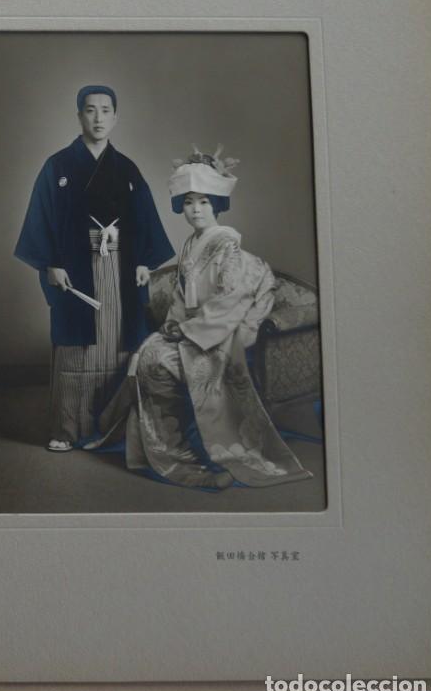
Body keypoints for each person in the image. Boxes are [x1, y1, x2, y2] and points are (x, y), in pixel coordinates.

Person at [122, 147, 312, 489]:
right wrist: (173, 324)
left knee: (159, 361)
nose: (196, 209)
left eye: (205, 202)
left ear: (218, 205)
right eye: (190, 201)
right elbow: (183, 296)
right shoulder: (192, 245)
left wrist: (189, 330)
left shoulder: (228, 247)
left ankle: (184, 454)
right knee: (149, 354)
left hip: (218, 331)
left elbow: (232, 297)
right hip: (194, 328)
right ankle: (170, 451)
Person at [14, 85, 174, 452]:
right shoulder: (58, 166)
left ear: (116, 117)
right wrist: (51, 263)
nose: (98, 118)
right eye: (90, 110)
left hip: (120, 267)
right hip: (75, 266)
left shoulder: (127, 169)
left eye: (105, 110)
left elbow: (144, 221)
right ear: (79, 116)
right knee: (77, 348)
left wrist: (146, 263)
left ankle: (114, 427)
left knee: (118, 343)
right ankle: (67, 429)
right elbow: (43, 217)